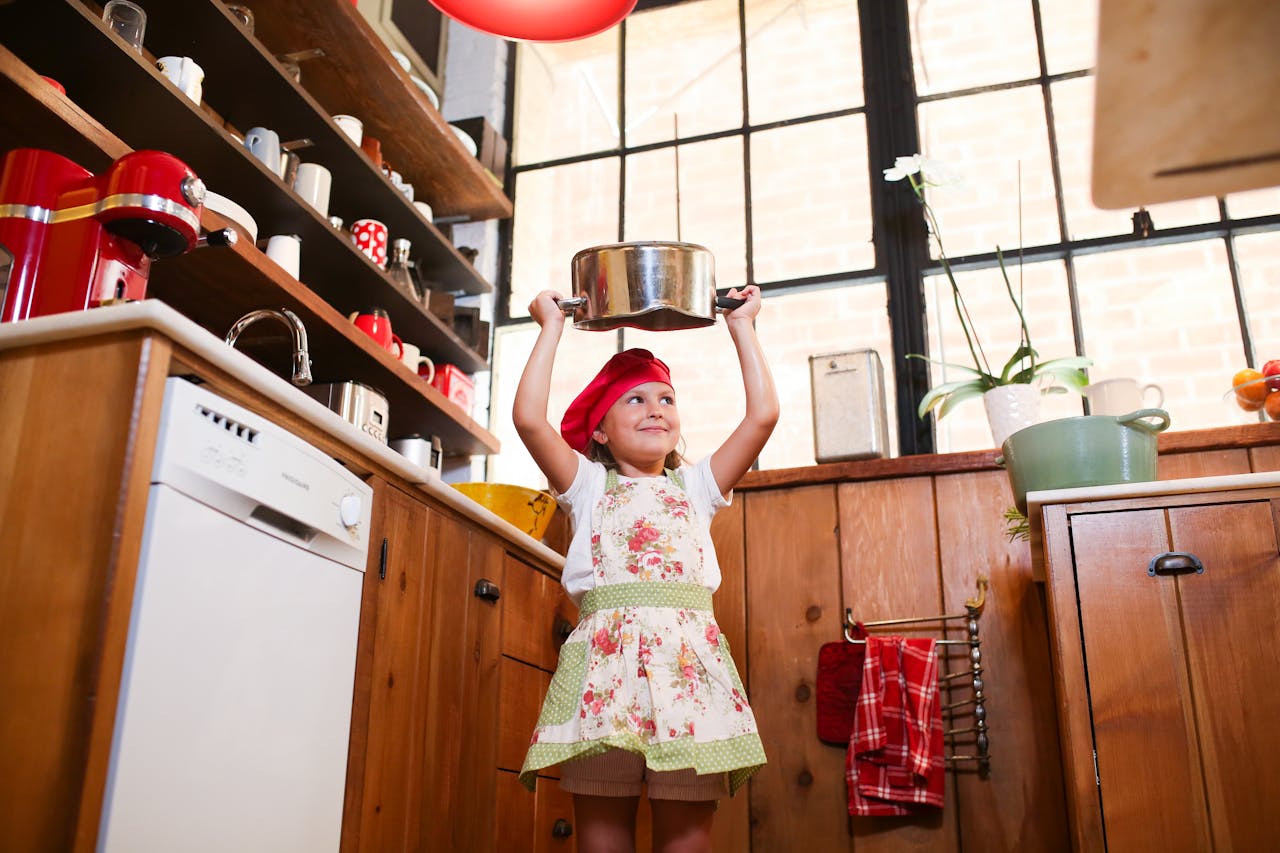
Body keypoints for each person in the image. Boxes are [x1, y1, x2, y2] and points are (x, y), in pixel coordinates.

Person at [513, 285, 779, 852]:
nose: (656, 408)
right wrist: (550, 327)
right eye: (635, 399)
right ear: (600, 431)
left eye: (666, 399)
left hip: (687, 680)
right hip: (602, 682)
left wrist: (743, 326)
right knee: (602, 842)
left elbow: (763, 416)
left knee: (686, 841)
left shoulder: (697, 487)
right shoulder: (587, 487)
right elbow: (530, 420)